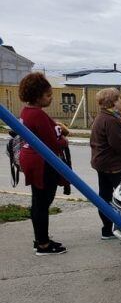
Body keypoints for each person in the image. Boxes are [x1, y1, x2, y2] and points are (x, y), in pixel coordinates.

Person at [17, 72, 69, 255]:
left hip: (31, 158)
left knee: (38, 201)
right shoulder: (37, 114)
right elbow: (53, 142)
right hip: (42, 163)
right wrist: (64, 140)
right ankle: (43, 244)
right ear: (37, 96)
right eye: (48, 95)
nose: (51, 98)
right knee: (42, 202)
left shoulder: (26, 112)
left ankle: (40, 239)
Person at [90, 88, 121, 239]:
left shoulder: (102, 117)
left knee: (104, 196)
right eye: (119, 99)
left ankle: (107, 229)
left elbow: (110, 138)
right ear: (113, 101)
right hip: (113, 166)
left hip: (101, 163)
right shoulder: (111, 120)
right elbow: (119, 146)